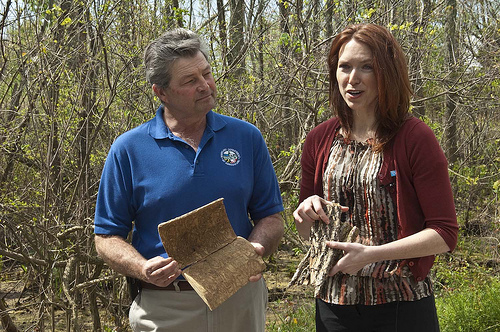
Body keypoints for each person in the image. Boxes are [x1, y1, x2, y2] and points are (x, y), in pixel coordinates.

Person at [94, 28, 284, 331]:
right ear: (161, 92)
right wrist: (142, 268)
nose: (205, 86)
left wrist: (255, 249)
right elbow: (105, 237)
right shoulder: (128, 149)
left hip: (240, 299)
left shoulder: (246, 137)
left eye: (206, 74)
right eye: (190, 81)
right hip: (166, 306)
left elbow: (271, 216)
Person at [293, 23, 458, 332]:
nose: (352, 79)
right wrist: (305, 213)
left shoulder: (413, 137)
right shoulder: (319, 139)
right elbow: (307, 232)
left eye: (366, 67)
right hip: (333, 304)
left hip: (399, 304)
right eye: (345, 67)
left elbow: (444, 234)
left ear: (386, 73)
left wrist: (372, 255)